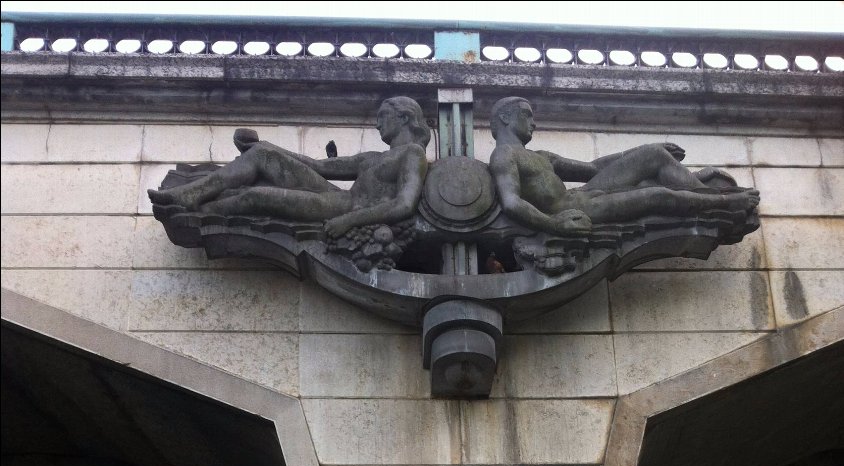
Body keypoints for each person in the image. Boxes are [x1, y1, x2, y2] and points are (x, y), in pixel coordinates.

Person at [148, 97, 431, 241]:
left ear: (404, 118)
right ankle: (189, 195)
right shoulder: (371, 157)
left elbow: (404, 205)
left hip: (344, 210)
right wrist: (266, 147)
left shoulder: (413, 154)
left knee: (257, 197)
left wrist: (350, 221)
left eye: (383, 117)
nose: (377, 123)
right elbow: (318, 166)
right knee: (262, 153)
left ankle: (196, 212)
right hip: (335, 198)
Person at [488, 96, 759, 235]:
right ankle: (725, 202)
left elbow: (593, 169)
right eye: (527, 115)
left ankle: (699, 188)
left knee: (653, 154)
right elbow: (511, 202)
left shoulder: (542, 156)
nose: (534, 122)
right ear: (504, 117)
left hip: (585, 195)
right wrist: (554, 224)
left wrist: (638, 152)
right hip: (577, 210)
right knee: (656, 194)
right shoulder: (504, 156)